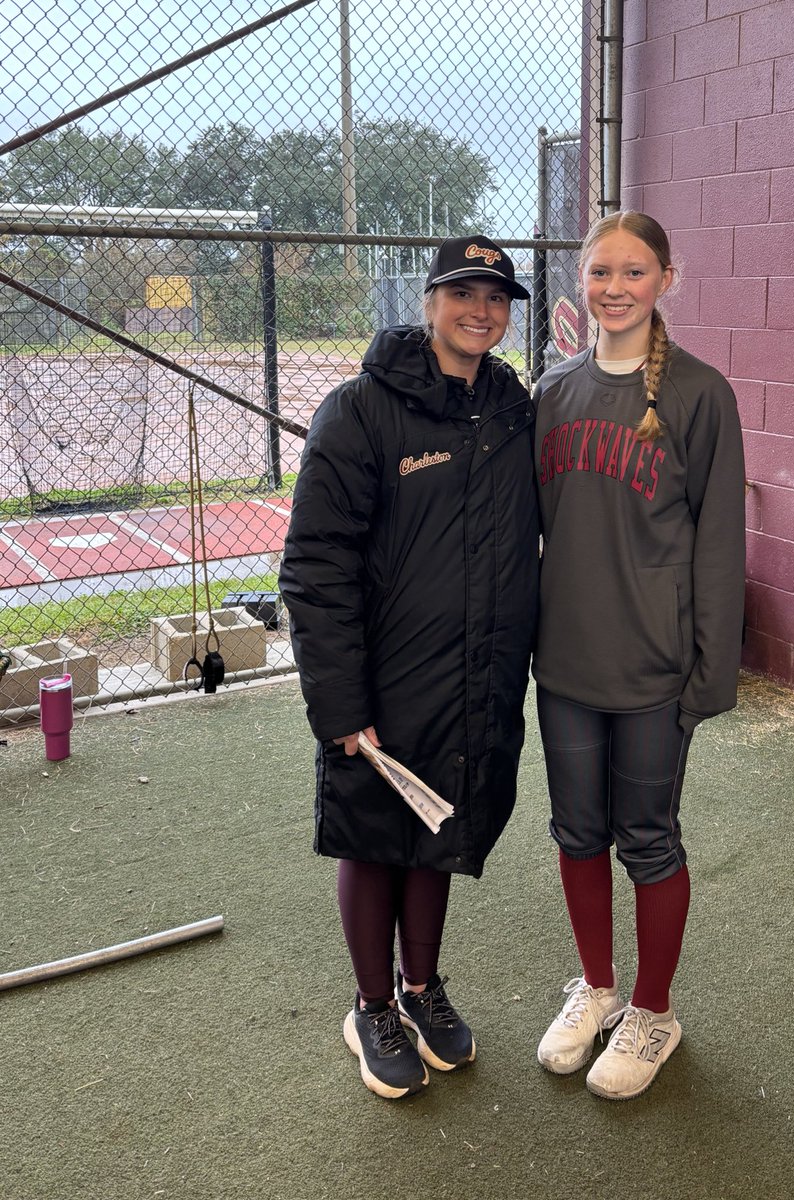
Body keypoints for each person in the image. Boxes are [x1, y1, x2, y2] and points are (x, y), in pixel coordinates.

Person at [279, 235, 538, 1100]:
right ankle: (372, 1007)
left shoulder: (512, 410)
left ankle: (421, 989)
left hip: (475, 674)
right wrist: (339, 702)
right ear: (428, 303)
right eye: (463, 293)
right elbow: (315, 564)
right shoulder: (359, 410)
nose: (480, 311)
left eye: (496, 298)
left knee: (438, 829)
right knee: (373, 834)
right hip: (382, 680)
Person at [531, 211, 745, 1100]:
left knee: (648, 841)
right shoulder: (551, 392)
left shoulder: (700, 394)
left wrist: (710, 673)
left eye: (633, 272)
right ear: (580, 282)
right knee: (577, 833)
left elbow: (720, 544)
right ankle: (599, 989)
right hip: (566, 667)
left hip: (656, 670)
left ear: (665, 280)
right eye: (600, 272)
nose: (614, 288)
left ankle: (654, 1010)